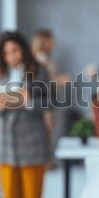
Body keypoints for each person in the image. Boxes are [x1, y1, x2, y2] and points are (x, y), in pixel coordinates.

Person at [0, 30, 50, 198]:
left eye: (14, 50)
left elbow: (51, 102)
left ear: (23, 49)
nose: (11, 57)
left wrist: (28, 101)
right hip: (6, 147)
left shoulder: (37, 71)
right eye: (6, 53)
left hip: (33, 147)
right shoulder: (0, 74)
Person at [31, 29, 71, 168]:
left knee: (50, 130)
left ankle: (47, 161)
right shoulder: (40, 59)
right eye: (50, 40)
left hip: (50, 100)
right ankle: (45, 162)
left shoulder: (45, 58)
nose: (53, 43)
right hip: (44, 101)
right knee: (47, 131)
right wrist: (59, 80)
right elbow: (42, 81)